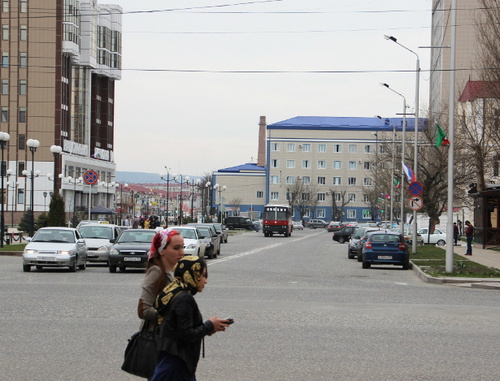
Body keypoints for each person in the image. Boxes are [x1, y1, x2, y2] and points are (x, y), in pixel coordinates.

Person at [152, 256, 231, 381]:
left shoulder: (172, 291)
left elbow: (175, 328)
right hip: (177, 362)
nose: (205, 281)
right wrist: (209, 325)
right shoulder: (184, 299)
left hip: (169, 356)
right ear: (191, 274)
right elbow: (186, 335)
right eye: (202, 275)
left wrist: (209, 328)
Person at [137, 228, 185, 324]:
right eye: (176, 248)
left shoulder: (175, 271)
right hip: (157, 336)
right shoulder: (157, 271)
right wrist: (173, 317)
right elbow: (143, 311)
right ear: (162, 250)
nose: (182, 252)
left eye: (183, 247)